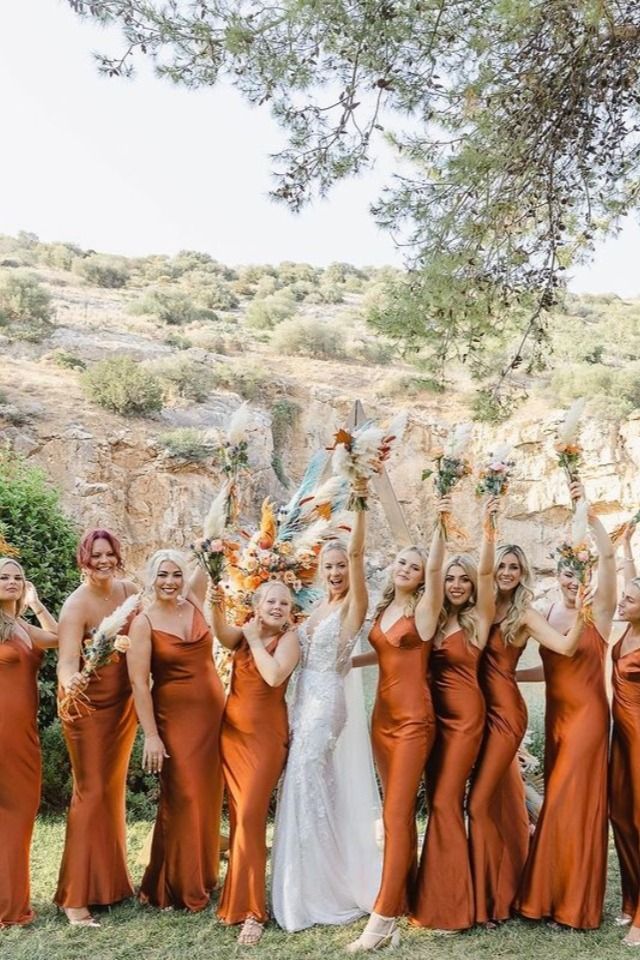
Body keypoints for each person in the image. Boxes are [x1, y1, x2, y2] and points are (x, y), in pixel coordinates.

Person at [271, 500, 382, 932]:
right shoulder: (316, 609)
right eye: (329, 567)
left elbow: (356, 554)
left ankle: (322, 891)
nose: (335, 573)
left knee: (304, 778)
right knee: (308, 785)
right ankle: (311, 879)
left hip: (326, 706)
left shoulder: (353, 606)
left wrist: (359, 499)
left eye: (340, 565)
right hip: (303, 701)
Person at [347, 498, 448, 952]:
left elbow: (437, 561)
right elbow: (388, 653)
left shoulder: (424, 612)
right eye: (402, 561)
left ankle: (382, 919)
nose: (407, 567)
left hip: (413, 722)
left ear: (427, 578)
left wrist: (440, 520)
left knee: (396, 814)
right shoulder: (385, 609)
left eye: (416, 564)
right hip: (381, 721)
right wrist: (342, 663)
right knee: (393, 817)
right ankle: (401, 899)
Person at [516, 482, 616, 930]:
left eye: (578, 571)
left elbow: (611, 559)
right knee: (558, 803)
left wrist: (589, 516)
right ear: (557, 574)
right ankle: (546, 897)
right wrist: (514, 676)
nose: (571, 580)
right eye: (564, 571)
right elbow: (558, 667)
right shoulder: (550, 610)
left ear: (588, 573)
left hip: (588, 721)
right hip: (558, 717)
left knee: (571, 805)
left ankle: (572, 906)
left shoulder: (601, 609)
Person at [468, 542, 583, 926]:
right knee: (503, 802)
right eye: (501, 564)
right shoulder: (479, 605)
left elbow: (565, 648)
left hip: (505, 715)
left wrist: (582, 611)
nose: (506, 572)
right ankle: (515, 885)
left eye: (514, 567)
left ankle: (491, 901)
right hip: (475, 712)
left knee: (479, 803)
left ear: (522, 573)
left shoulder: (526, 614)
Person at [411, 499, 497, 931]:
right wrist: (438, 522)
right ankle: (437, 894)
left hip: (465, 720)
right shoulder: (431, 617)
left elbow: (485, 573)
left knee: (446, 802)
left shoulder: (479, 619)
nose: (459, 584)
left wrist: (487, 530)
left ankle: (453, 908)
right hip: (431, 720)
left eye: (464, 579)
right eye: (451, 578)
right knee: (437, 801)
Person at [127, 550, 225, 911]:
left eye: (176, 575)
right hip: (174, 719)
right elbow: (139, 683)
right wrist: (151, 735)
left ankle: (203, 876)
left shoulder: (195, 601)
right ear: (151, 579)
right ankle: (174, 887)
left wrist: (217, 532)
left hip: (213, 716)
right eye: (163, 575)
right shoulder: (143, 622)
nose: (170, 582)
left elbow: (209, 557)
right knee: (182, 798)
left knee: (208, 796)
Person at [55, 529, 138, 926]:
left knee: (111, 791)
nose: (103, 561)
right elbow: (66, 661)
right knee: (89, 793)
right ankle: (75, 897)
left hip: (123, 705)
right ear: (83, 559)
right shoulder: (76, 605)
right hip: (86, 707)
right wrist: (71, 679)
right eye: (95, 555)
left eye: (109, 554)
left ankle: (111, 884)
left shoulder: (128, 590)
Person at [212, 580, 300, 946]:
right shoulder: (243, 634)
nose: (277, 607)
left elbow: (274, 675)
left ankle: (254, 911)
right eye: (271, 601)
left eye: (284, 603)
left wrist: (253, 638)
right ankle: (235, 902)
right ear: (257, 604)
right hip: (231, 737)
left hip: (265, 741)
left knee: (250, 816)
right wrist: (214, 604)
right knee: (239, 819)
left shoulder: (290, 640)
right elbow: (220, 633)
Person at [0, 557, 57, 929]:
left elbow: (60, 637)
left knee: (20, 816)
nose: (11, 582)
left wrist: (36, 604)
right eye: (3, 577)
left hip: (23, 735)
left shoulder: (21, 626)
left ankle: (12, 904)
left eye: (18, 577)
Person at [609, 525, 640, 946]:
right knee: (621, 816)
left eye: (629, 599)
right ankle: (632, 898)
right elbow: (630, 576)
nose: (622, 600)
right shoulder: (628, 630)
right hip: (621, 736)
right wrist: (625, 546)